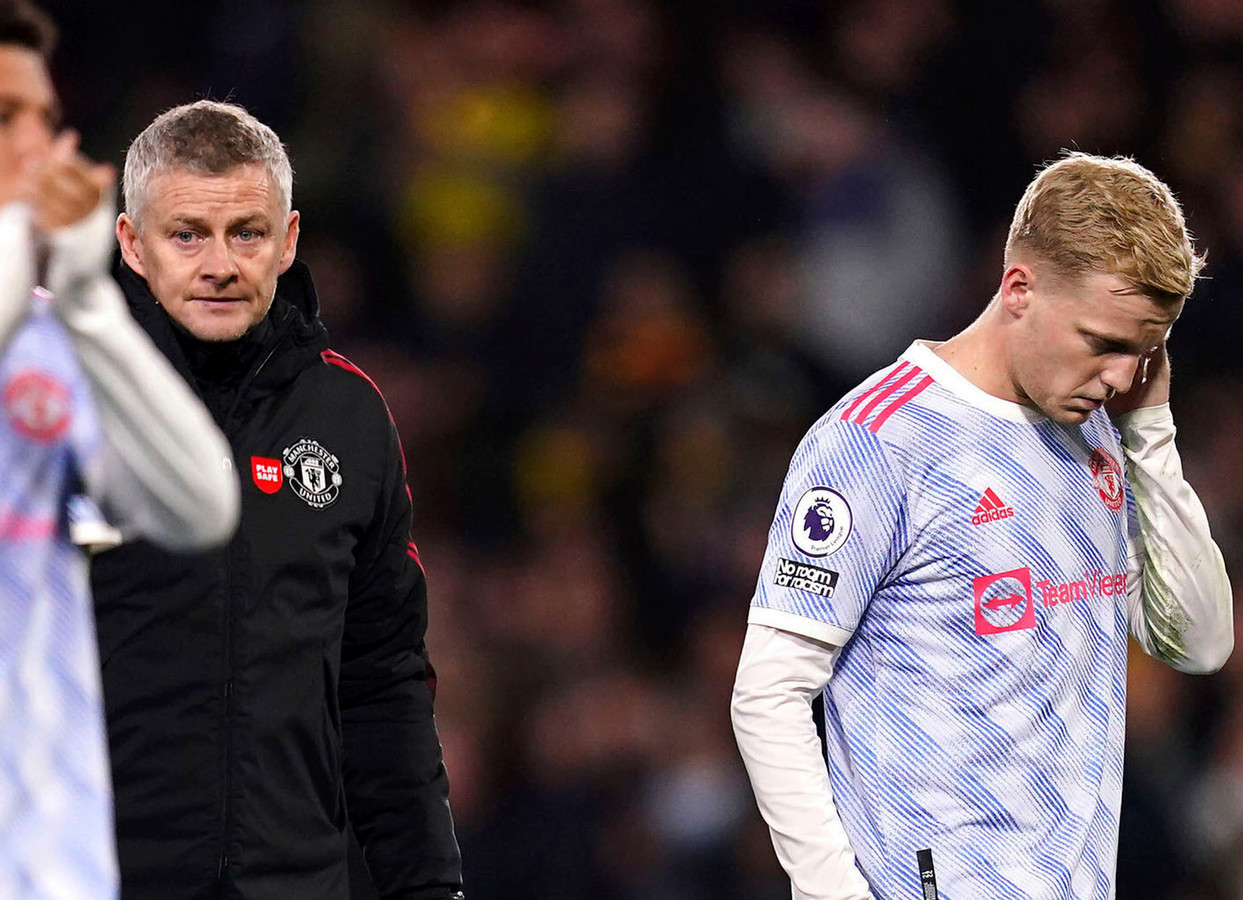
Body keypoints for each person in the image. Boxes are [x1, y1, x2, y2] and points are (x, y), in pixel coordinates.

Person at [731, 152, 1234, 900]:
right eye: (1102, 342)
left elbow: (1200, 644)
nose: (1122, 377)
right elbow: (767, 695)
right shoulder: (878, 442)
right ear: (1018, 289)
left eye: (1144, 351)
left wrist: (1151, 436)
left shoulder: (1103, 430)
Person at [90, 99, 465, 900]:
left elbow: (383, 683)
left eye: (247, 234)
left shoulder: (350, 419)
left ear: (288, 240)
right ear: (132, 244)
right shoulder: (62, 409)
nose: (219, 263)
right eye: (186, 233)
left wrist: (429, 888)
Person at [0, 3, 240, 898]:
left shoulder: (44, 336)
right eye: (3, 118)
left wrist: (90, 300)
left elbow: (201, 505)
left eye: (41, 116)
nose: (37, 145)